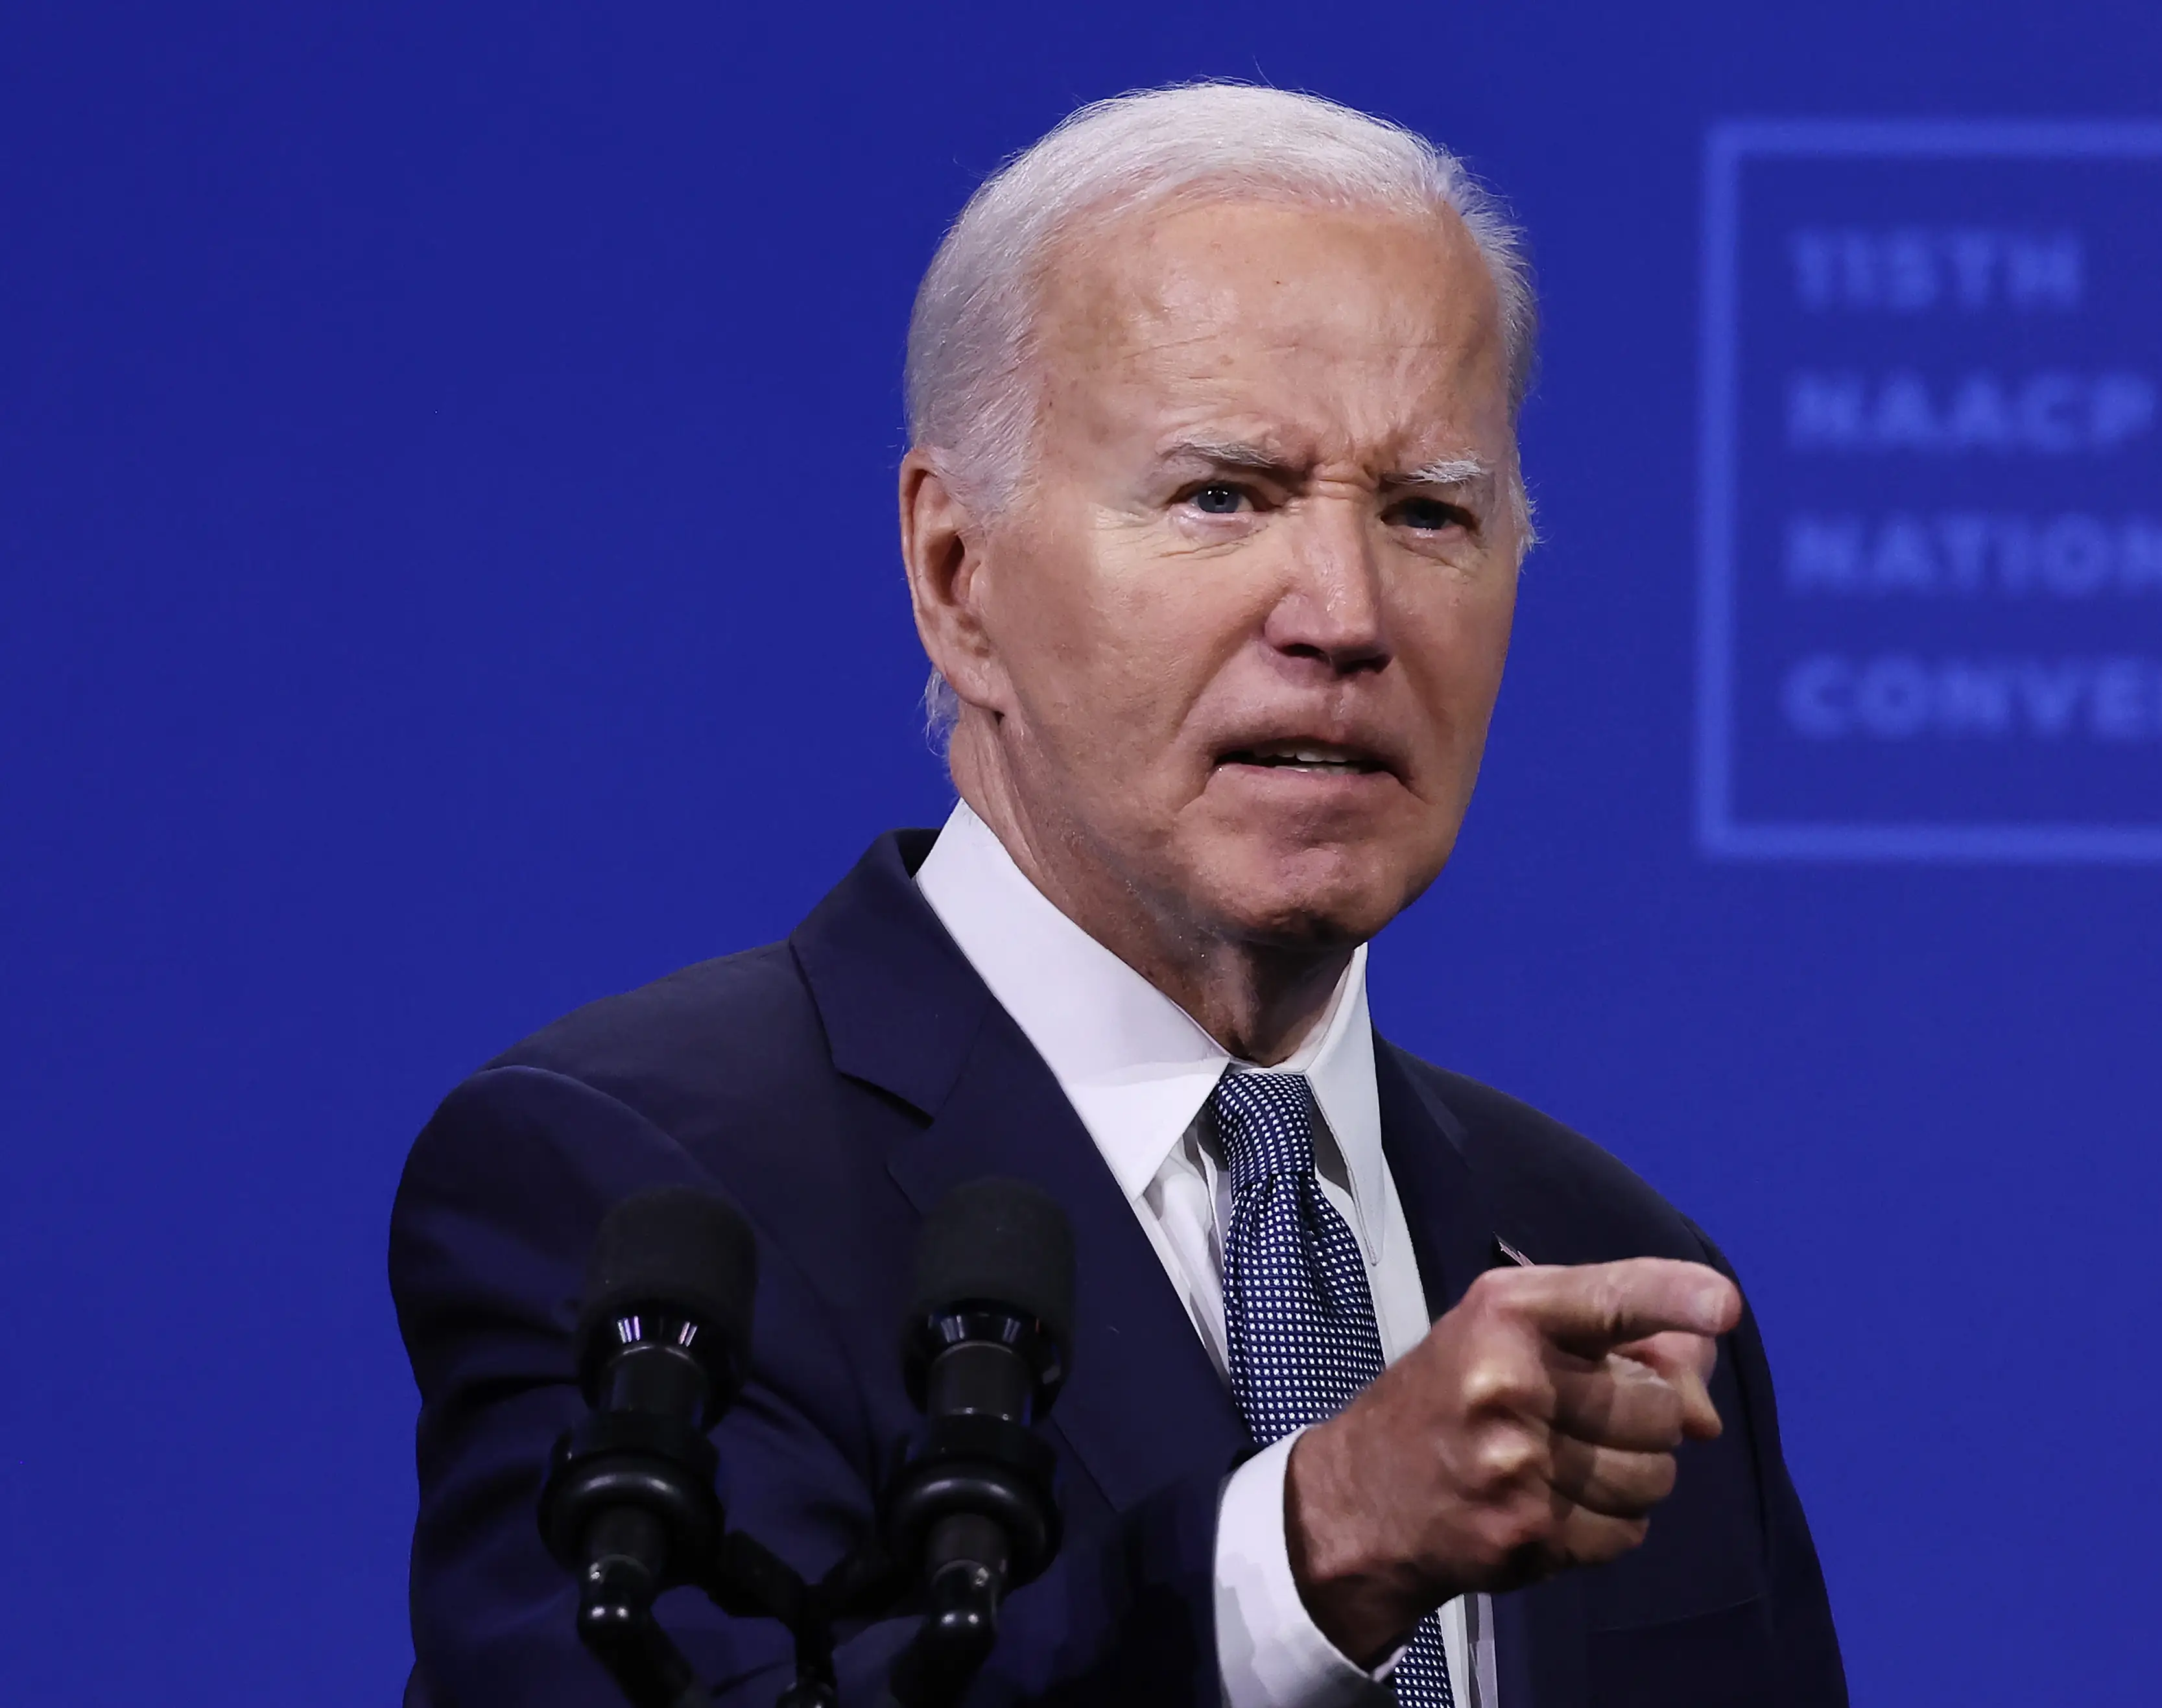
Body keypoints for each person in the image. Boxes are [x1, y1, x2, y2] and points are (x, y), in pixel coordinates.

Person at [391, 82, 1845, 1707]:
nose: (1346, 615)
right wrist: (1304, 1558)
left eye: (1430, 511)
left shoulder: (1602, 1268)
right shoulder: (644, 1194)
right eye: (1223, 495)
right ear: (960, 578)